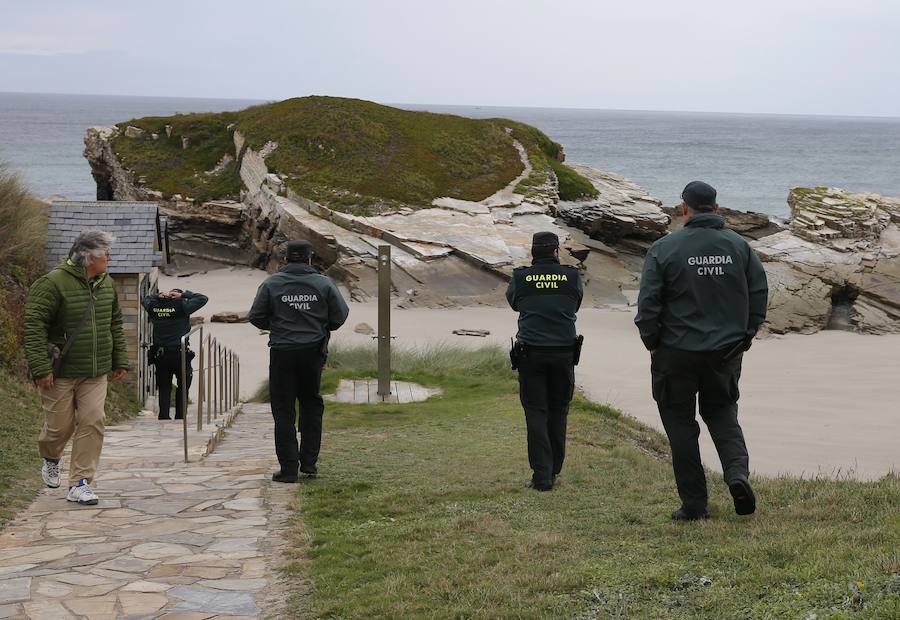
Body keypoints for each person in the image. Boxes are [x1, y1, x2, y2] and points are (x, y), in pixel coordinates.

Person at [635, 181, 768, 520]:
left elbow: (648, 304)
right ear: (717, 207)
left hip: (675, 352)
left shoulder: (665, 247)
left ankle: (695, 505)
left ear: (684, 209)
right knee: (723, 413)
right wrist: (746, 335)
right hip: (724, 351)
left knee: (680, 424)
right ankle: (737, 475)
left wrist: (654, 342)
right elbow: (758, 294)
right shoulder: (739, 246)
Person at [24, 230, 128, 506]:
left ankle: (80, 483)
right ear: (88, 258)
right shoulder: (51, 284)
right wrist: (40, 368)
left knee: (93, 420)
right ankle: (50, 457)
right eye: (105, 254)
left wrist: (120, 360)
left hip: (95, 371)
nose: (110, 258)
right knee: (60, 428)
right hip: (59, 372)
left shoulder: (107, 285)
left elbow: (115, 323)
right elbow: (34, 328)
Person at [248, 240, 349, 483]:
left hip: (282, 350)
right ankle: (310, 463)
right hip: (313, 351)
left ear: (284, 260)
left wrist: (278, 326)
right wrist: (319, 326)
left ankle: (289, 469)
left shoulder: (271, 283)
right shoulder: (324, 284)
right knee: (311, 404)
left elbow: (256, 316)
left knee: (283, 409)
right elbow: (340, 315)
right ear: (310, 260)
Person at [506, 231, 583, 491]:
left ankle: (542, 476)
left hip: (532, 353)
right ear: (556, 251)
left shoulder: (521, 277)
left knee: (536, 412)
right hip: (563, 353)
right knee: (559, 410)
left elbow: (515, 304)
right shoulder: (572, 276)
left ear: (533, 252)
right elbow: (575, 304)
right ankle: (555, 468)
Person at [141, 288, 209, 420]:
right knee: (183, 386)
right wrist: (183, 295)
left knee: (164, 387)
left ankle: (164, 416)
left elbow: (145, 299)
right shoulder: (182, 305)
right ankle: (180, 417)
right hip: (180, 353)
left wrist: (158, 296)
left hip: (161, 354)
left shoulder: (154, 306)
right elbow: (203, 298)